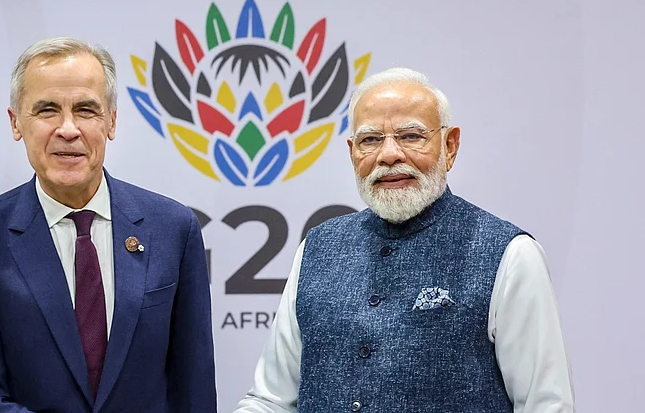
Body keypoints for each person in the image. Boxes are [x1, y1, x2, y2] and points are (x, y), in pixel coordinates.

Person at [234, 67, 574, 412]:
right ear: (352, 153)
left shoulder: (510, 254)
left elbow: (545, 404)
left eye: (411, 136)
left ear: (450, 146)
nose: (389, 154)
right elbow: (270, 400)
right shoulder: (317, 248)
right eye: (370, 140)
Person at [0, 37, 217, 413]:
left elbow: (193, 390)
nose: (68, 129)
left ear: (111, 121)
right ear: (16, 123)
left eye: (86, 110)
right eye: (47, 110)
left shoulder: (173, 229)